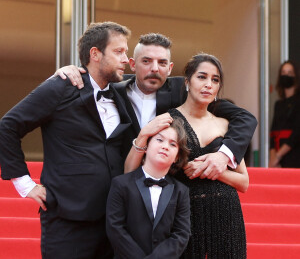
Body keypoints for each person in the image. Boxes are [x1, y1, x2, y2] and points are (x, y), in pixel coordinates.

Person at [0, 22, 132, 258]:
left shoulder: (120, 92)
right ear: (95, 53)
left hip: (112, 221)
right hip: (68, 220)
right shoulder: (60, 87)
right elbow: (8, 127)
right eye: (119, 51)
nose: (126, 59)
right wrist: (24, 184)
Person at [56, 33, 257, 179]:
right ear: (132, 64)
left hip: (168, 186)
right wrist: (70, 70)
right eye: (146, 61)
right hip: (117, 180)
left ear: (170, 68)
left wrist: (224, 155)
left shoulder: (185, 89)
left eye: (162, 63)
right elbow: (90, 78)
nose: (154, 68)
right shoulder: (112, 88)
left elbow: (246, 119)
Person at [125, 53, 250, 259]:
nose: (208, 84)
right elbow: (131, 172)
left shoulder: (226, 125)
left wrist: (213, 170)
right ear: (187, 82)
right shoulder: (169, 121)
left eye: (215, 79)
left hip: (227, 215)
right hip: (184, 216)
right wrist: (143, 136)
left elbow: (243, 182)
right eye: (202, 77)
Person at [106, 117, 191, 259]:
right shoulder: (121, 184)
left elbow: (181, 234)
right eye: (159, 140)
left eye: (173, 144)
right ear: (146, 146)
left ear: (177, 157)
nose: (165, 146)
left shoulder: (181, 191)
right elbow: (115, 229)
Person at [269, 60, 300, 167]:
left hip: (294, 155)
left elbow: (297, 134)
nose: (286, 75)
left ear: (295, 77)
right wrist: (273, 157)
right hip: (278, 158)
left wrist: (278, 156)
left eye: (289, 73)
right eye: (283, 72)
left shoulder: (298, 101)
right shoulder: (278, 104)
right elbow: (273, 132)